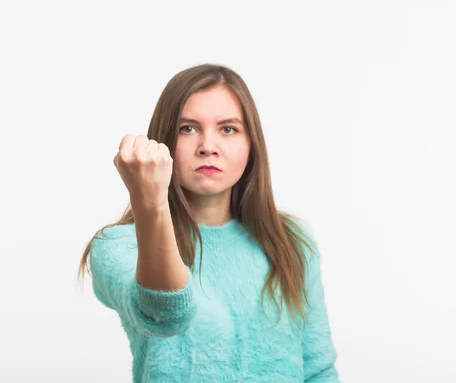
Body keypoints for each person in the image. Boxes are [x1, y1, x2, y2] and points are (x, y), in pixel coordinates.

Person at [77, 63, 340, 382]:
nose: (208, 147)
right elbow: (165, 314)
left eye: (228, 129)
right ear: (163, 141)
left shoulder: (292, 241)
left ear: (251, 144)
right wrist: (149, 201)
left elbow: (318, 368)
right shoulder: (119, 245)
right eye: (187, 128)